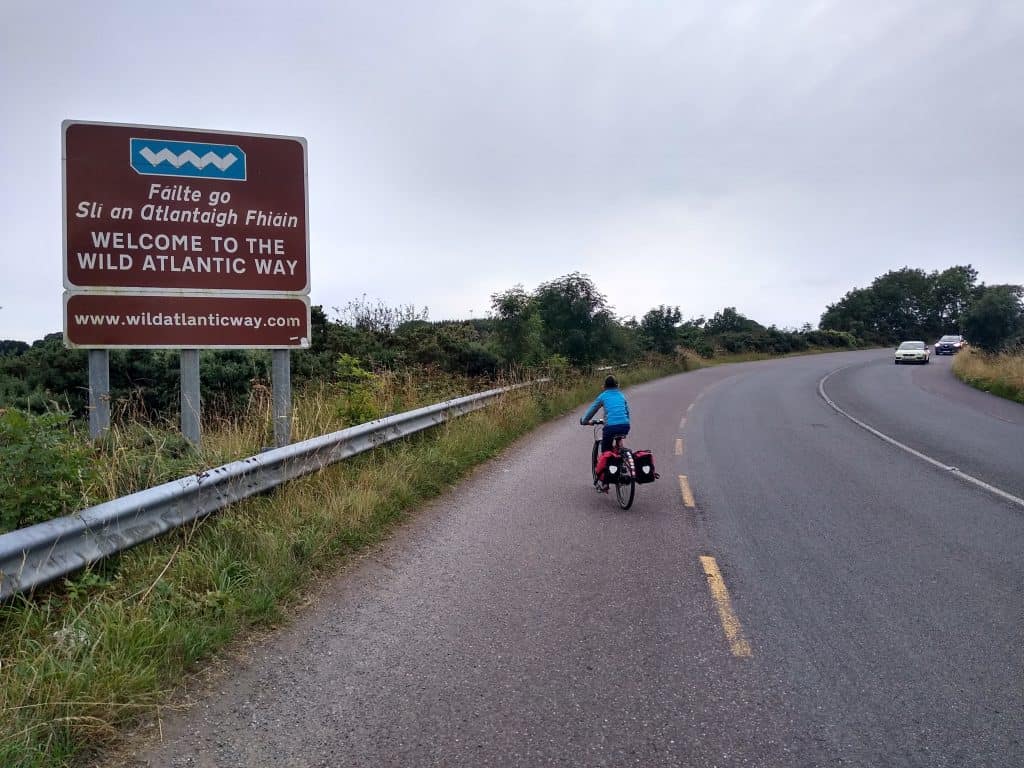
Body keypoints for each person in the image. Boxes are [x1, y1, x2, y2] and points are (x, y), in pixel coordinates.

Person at [580, 374, 631, 453]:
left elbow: (592, 410)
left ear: (604, 386)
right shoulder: (621, 396)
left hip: (610, 427)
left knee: (606, 452)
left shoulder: (603, 396)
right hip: (625, 426)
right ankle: (621, 453)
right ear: (617, 385)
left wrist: (584, 421)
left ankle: (609, 463)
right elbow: (627, 413)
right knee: (618, 439)